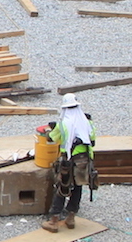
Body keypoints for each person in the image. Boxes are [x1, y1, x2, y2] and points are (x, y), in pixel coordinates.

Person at [40, 94, 98, 229]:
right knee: (78, 187)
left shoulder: (63, 124)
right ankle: (70, 219)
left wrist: (52, 129)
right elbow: (92, 140)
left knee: (62, 188)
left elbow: (51, 138)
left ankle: (53, 221)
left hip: (69, 161)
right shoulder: (87, 122)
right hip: (85, 161)